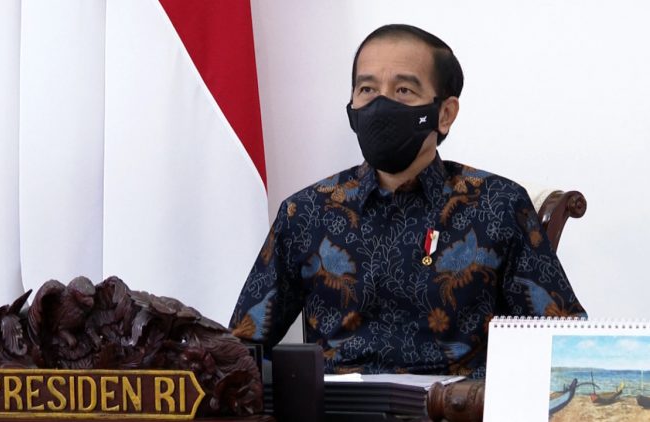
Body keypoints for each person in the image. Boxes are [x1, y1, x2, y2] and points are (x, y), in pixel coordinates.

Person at [229, 24, 586, 378]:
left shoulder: (498, 206)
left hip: (457, 404)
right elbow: (240, 351)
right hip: (339, 405)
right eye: (367, 89)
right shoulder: (306, 213)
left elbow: (565, 344)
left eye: (403, 90)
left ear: (444, 114)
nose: (381, 104)